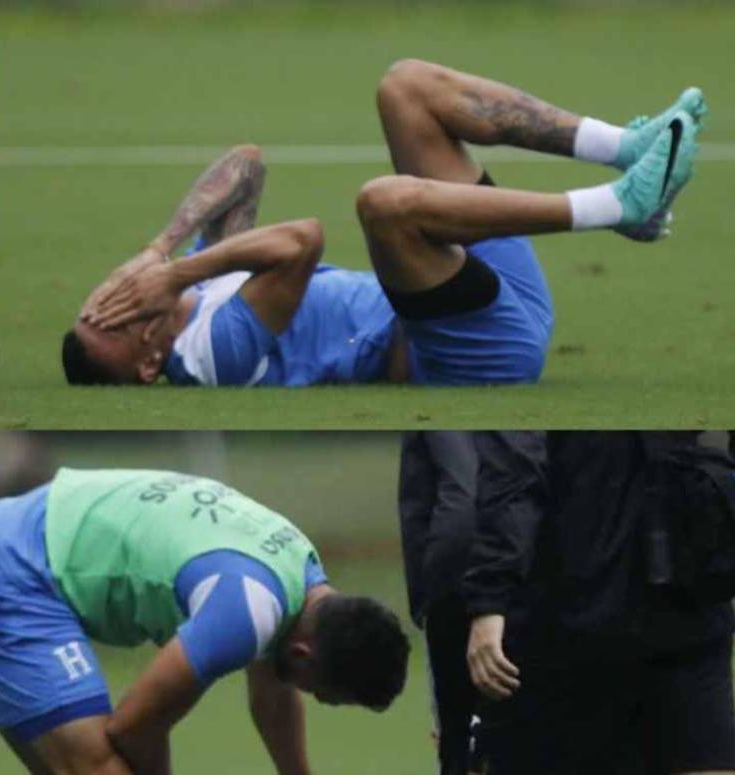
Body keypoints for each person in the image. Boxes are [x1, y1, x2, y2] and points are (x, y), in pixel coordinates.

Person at [65, 61, 704, 387]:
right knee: (383, 204)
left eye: (99, 305)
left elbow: (246, 166)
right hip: (472, 352)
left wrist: (159, 250)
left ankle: (624, 148)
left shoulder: (195, 290)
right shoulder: (209, 357)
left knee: (405, 87)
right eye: (116, 323)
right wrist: (175, 272)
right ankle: (617, 206)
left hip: (478, 290)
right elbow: (300, 242)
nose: (117, 304)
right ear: (148, 365)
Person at [0, 468, 411, 774]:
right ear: (304, 654)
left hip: (33, 527)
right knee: (98, 767)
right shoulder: (243, 613)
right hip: (21, 567)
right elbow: (135, 726)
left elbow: (273, 695)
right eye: (322, 694)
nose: (311, 696)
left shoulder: (299, 572)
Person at [463, 432, 735, 775]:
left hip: (636, 607)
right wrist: (491, 594)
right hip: (627, 607)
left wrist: (491, 598)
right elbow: (515, 476)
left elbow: (514, 475)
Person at [399, 432, 484, 775]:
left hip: (451, 581)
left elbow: (422, 504)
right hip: (529, 576)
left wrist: (425, 601)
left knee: (461, 742)